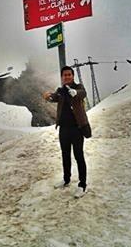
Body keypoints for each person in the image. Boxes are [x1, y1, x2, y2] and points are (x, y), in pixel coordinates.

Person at [43, 65, 91, 198]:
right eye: (65, 75)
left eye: (69, 74)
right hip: (63, 129)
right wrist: (48, 97)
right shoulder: (61, 90)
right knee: (65, 155)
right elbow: (55, 97)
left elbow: (83, 93)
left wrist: (75, 93)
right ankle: (66, 179)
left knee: (78, 156)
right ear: (62, 77)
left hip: (77, 129)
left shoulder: (78, 87)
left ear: (73, 76)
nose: (67, 77)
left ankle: (82, 185)